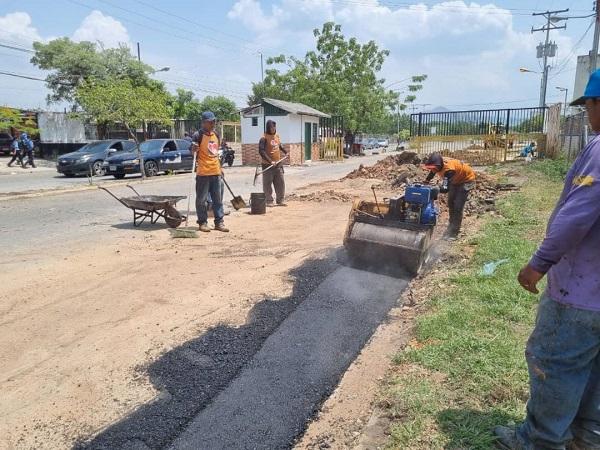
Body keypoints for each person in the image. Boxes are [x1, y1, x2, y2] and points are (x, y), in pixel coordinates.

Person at [494, 69, 600, 450]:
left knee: (553, 363)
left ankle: (539, 441)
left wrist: (538, 264)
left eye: (587, 105)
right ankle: (586, 437)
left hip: (580, 293)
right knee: (593, 368)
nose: (587, 114)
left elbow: (576, 218)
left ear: (597, 103)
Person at [191, 111, 228, 233]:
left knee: (217, 200)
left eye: (214, 121)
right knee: (201, 200)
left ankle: (219, 222)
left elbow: (216, 153)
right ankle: (202, 222)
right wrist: (193, 149)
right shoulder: (197, 135)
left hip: (215, 172)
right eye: (210, 122)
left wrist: (220, 168)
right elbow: (192, 151)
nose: (213, 124)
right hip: (203, 173)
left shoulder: (216, 134)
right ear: (203, 123)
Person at [423, 152, 476, 239]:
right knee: (451, 203)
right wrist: (427, 181)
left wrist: (437, 188)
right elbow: (433, 171)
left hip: (466, 180)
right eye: (431, 168)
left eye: (434, 168)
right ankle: (451, 226)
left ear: (439, 165)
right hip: (455, 180)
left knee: (458, 206)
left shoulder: (449, 170)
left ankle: (454, 233)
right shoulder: (438, 164)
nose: (433, 170)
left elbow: (445, 188)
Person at [259, 120, 288, 206]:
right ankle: (269, 201)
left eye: (274, 127)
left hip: (278, 164)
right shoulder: (263, 138)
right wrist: (270, 161)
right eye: (271, 127)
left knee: (280, 183)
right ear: (268, 128)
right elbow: (261, 151)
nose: (273, 129)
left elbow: (279, 145)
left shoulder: (277, 136)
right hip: (267, 165)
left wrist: (286, 152)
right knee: (267, 184)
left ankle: (280, 200)